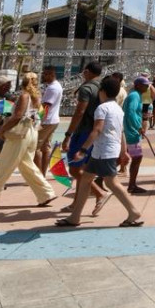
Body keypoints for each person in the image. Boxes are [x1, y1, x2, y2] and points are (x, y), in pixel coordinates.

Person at [56, 75, 142, 228]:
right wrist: (123, 151)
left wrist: (82, 150)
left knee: (111, 182)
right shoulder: (117, 108)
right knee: (86, 179)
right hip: (106, 150)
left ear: (102, 91)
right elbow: (120, 131)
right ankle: (75, 216)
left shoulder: (102, 108)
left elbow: (97, 129)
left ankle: (133, 212)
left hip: (103, 151)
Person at [0, 72, 55, 211]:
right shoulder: (36, 96)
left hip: (20, 134)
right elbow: (40, 114)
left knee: (3, 166)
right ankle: (46, 193)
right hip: (31, 132)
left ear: (22, 82)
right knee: (27, 165)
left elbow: (17, 116)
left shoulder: (24, 96)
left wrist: (2, 130)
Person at [62, 62, 107, 213]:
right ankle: (76, 203)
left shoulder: (86, 88)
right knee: (82, 168)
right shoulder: (101, 88)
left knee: (75, 169)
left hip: (83, 131)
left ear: (86, 72)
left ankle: (99, 193)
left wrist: (68, 134)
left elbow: (80, 112)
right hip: (94, 131)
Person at [35, 66, 63, 176]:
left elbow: (46, 106)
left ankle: (38, 174)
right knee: (45, 147)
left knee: (35, 148)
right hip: (53, 120)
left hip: (47, 121)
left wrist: (38, 120)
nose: (44, 76)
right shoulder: (56, 86)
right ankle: (42, 173)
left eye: (46, 74)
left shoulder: (52, 88)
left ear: (52, 75)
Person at [124, 75, 149, 194]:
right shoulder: (134, 95)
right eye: (145, 85)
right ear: (138, 85)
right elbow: (130, 113)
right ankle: (132, 185)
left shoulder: (136, 94)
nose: (148, 86)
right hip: (132, 132)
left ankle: (100, 179)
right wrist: (138, 127)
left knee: (122, 158)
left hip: (131, 130)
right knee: (137, 157)